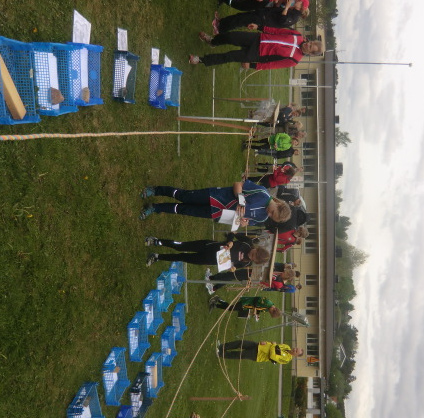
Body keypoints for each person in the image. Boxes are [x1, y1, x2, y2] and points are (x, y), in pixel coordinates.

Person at [139, 180, 291, 227]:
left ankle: (155, 208)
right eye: (272, 212)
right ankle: (156, 190)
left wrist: (243, 223)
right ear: (277, 204)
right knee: (185, 196)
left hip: (218, 213)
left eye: (272, 217)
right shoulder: (262, 193)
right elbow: (238, 184)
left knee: (184, 210)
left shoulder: (262, 218)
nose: (269, 214)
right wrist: (240, 198)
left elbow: (246, 223)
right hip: (216, 197)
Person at [189, 27, 323, 70]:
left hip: (256, 54)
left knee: (229, 56)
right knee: (231, 36)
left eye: (310, 48)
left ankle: (200, 59)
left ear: (310, 53)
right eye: (310, 43)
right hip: (257, 38)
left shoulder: (294, 60)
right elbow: (277, 31)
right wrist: (260, 27)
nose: (308, 44)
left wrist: (252, 65)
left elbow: (272, 65)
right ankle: (213, 41)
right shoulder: (297, 35)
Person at [145, 233, 270, 268]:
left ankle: (157, 256)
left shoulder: (246, 263)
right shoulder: (247, 243)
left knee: (182, 257)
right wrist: (230, 241)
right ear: (256, 248)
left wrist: (232, 268)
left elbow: (234, 266)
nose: (251, 255)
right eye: (253, 253)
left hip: (209, 260)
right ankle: (157, 241)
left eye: (253, 258)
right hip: (209, 246)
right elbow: (232, 234)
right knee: (181, 246)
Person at [214, 1, 306, 34]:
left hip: (263, 20)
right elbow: (276, 9)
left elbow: (282, 20)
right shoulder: (293, 10)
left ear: (301, 6)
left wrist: (286, 7)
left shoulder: (295, 17)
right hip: (263, 13)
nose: (297, 1)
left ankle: (220, 28)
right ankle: (221, 22)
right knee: (240, 16)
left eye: (300, 2)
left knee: (240, 21)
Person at [217, 340, 303, 364]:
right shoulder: (286, 346)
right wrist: (266, 342)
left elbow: (273, 356)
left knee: (239, 354)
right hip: (258, 345)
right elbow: (273, 344)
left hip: (258, 355)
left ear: (296, 355)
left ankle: (220, 354)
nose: (294, 349)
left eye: (296, 351)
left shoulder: (286, 359)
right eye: (296, 348)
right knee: (241, 343)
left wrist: (273, 345)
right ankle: (221, 347)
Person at [209, 295, 280, 318]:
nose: (269, 312)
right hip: (247, 302)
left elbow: (260, 309)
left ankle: (216, 304)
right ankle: (218, 301)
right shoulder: (268, 303)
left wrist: (257, 314)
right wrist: (255, 309)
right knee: (231, 308)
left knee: (231, 308)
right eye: (270, 312)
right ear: (273, 309)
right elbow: (256, 299)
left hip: (247, 307)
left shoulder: (268, 309)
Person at [218, 0, 309, 12]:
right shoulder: (291, 2)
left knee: (245, 6)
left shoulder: (292, 6)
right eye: (300, 7)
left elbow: (276, 5)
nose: (299, 9)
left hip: (265, 4)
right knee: (245, 6)